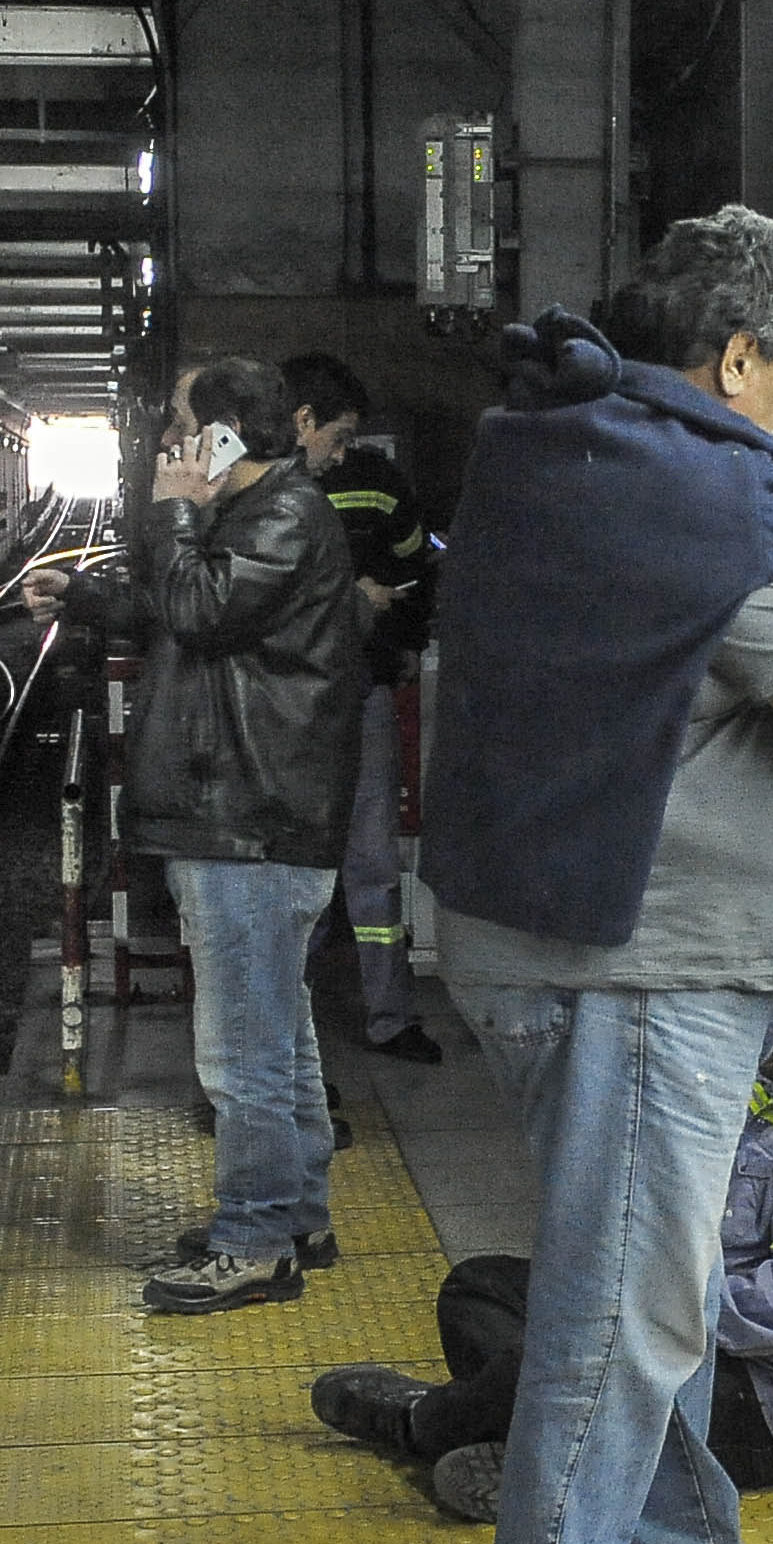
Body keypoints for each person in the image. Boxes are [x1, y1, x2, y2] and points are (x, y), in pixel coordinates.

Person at [422, 205, 773, 1544]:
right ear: (737, 355)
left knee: (658, 1285)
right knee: (619, 1306)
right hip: (638, 967)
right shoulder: (699, 490)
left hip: (563, 932)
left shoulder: (556, 442)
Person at [309, 923, 773, 1516]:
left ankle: (430, 1424)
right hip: (691, 1319)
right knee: (478, 1290)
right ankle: (567, 1458)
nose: (761, 1020)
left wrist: (648, 1306)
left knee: (557, 1352)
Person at [23, 358, 369, 1314]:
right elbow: (176, 604)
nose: (168, 443)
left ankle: (254, 1242)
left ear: (223, 437)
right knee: (280, 1038)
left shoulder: (286, 515)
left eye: (181, 427)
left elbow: (200, 609)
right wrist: (83, 593)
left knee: (242, 1052)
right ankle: (295, 1216)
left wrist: (175, 510)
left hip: (250, 822)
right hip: (249, 819)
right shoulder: (257, 515)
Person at [283, 352, 444, 1065]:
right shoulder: (265, 499)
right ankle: (299, 1039)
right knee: (308, 875)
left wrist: (402, 642)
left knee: (370, 865)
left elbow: (416, 567)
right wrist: (365, 608)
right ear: (302, 421)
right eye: (341, 436)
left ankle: (386, 1016)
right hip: (296, 710)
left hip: (352, 696)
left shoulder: (375, 487)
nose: (347, 453)